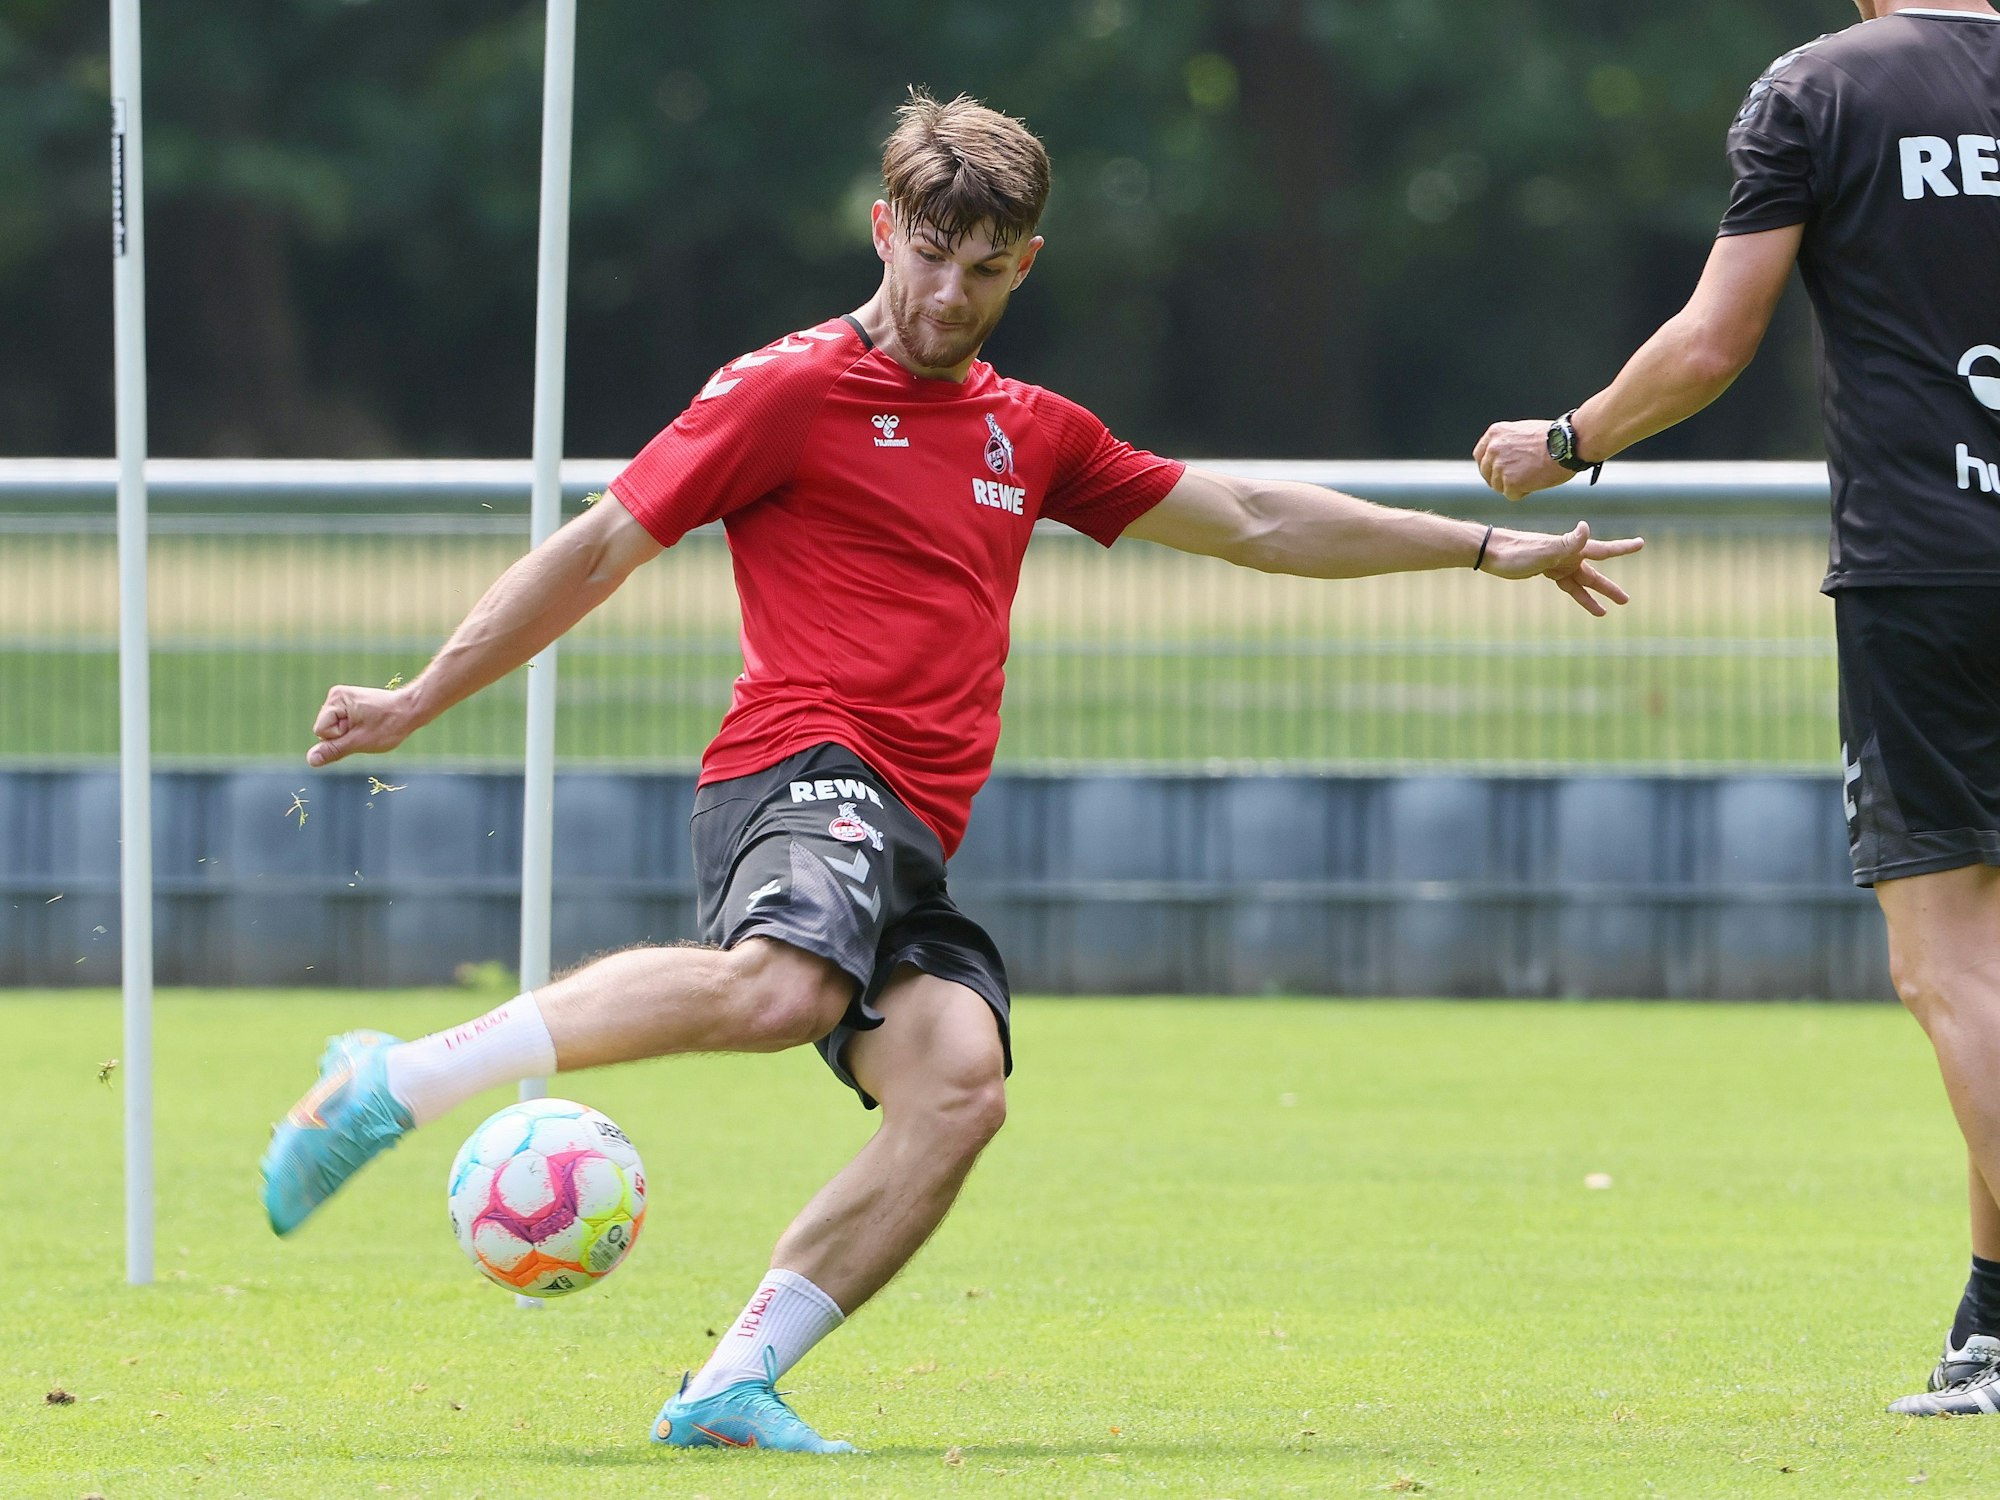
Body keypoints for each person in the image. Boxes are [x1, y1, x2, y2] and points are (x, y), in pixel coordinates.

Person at [261, 88, 1642, 1454]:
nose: (948, 293)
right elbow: (596, 548)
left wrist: (1480, 547)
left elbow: (1259, 519)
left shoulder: (1032, 431)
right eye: (929, 255)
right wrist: (422, 692)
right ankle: (402, 1074)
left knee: (959, 1086)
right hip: (798, 766)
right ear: (883, 230)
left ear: (1024, 264)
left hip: (909, 829)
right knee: (781, 986)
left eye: (985, 270)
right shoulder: (785, 389)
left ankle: (730, 1384)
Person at [1473, 0, 2000, 1418]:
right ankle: (1992, 1331)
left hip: (1933, 575)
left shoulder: (1821, 89)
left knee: (1950, 971)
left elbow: (1714, 344)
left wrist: (1565, 441)